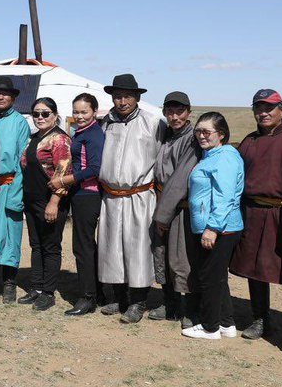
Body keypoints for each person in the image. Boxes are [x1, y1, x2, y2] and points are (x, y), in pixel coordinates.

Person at [231, 88, 282, 341]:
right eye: (258, 108)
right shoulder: (249, 142)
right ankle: (260, 318)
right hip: (252, 212)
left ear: (281, 109)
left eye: (269, 108)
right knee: (255, 271)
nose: (264, 113)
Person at [97, 74, 163, 324]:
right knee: (111, 248)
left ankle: (138, 301)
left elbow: (162, 157)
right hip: (111, 196)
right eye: (117, 96)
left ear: (137, 98)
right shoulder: (107, 122)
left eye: (127, 96)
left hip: (139, 195)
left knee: (138, 249)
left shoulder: (153, 123)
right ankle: (118, 297)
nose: (122, 101)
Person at [181, 112, 244, 340]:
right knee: (216, 276)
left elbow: (225, 196)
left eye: (207, 132)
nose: (201, 136)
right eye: (198, 131)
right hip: (214, 225)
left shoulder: (225, 157)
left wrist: (213, 228)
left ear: (222, 134)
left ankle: (210, 326)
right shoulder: (212, 155)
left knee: (208, 276)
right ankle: (226, 324)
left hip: (221, 227)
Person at [149, 91, 200, 326]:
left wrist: (162, 216)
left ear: (188, 112)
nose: (175, 116)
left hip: (179, 207)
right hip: (160, 200)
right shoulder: (166, 136)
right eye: (170, 111)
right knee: (161, 254)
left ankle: (190, 310)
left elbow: (180, 179)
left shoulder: (192, 140)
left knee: (182, 258)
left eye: (180, 111)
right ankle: (170, 304)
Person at [18, 97, 72, 312]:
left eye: (45, 113)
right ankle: (37, 287)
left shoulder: (59, 140)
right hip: (32, 200)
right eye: (36, 114)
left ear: (55, 115)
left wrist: (54, 202)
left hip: (50, 200)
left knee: (50, 246)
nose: (40, 117)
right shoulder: (34, 138)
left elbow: (64, 172)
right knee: (36, 245)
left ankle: (48, 292)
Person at [57, 93, 105, 316]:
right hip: (81, 193)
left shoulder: (93, 135)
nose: (79, 116)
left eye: (84, 112)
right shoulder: (81, 132)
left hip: (88, 193)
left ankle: (88, 297)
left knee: (83, 246)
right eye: (76, 112)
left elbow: (95, 168)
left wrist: (67, 180)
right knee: (86, 245)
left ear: (94, 111)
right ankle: (97, 291)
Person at [0, 75, 29, 304]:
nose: (0, 97)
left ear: (13, 98)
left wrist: (16, 192)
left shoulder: (20, 123)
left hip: (9, 184)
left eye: (5, 94)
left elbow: (24, 160)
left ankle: (10, 282)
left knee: (10, 235)